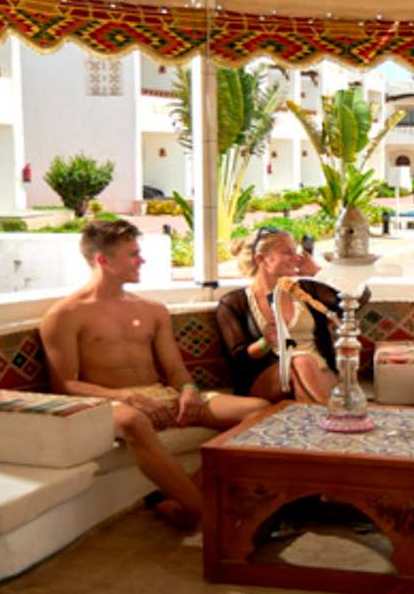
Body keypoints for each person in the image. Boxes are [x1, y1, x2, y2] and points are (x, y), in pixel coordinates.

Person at [40, 220, 269, 530]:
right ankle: (210, 520)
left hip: (160, 395)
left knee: (258, 411)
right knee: (133, 422)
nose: (142, 260)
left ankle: (184, 503)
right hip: (109, 403)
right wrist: (127, 397)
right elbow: (65, 385)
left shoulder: (152, 310)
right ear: (103, 260)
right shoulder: (65, 315)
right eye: (133, 254)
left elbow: (174, 370)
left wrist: (188, 391)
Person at [216, 227, 356, 403]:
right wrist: (265, 343)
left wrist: (318, 273)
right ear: (261, 259)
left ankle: (316, 413)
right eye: (288, 252)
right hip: (268, 379)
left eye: (295, 251)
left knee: (304, 364)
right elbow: (238, 359)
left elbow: (358, 297)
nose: (297, 257)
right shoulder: (233, 303)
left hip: (319, 370)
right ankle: (329, 413)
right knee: (301, 361)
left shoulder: (307, 290)